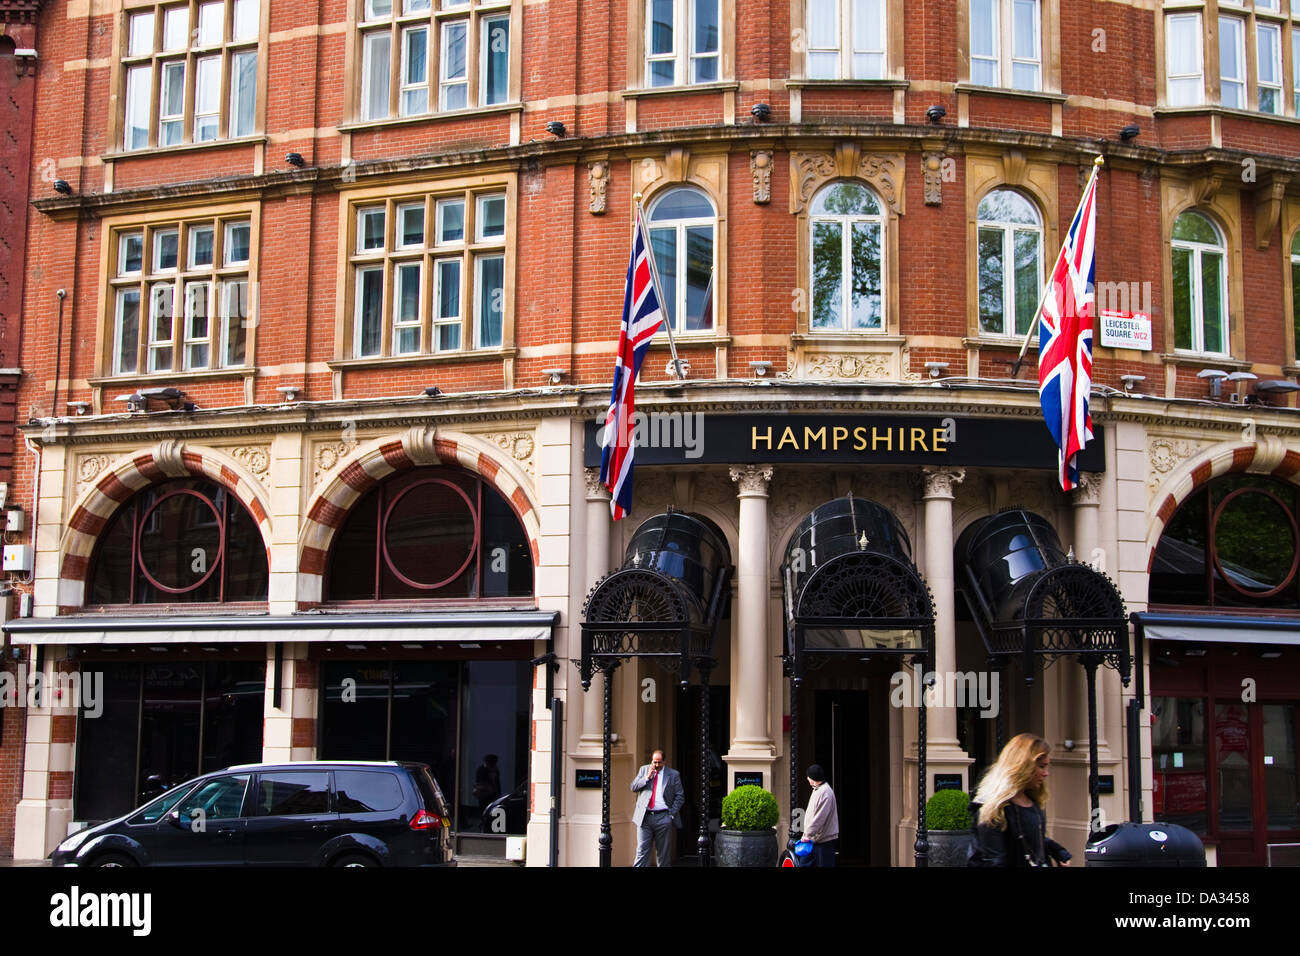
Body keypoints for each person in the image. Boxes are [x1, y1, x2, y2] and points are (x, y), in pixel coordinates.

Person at [967, 733, 1072, 867]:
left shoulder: (1031, 801)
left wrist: (1057, 850)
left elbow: (1029, 840)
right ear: (1023, 766)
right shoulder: (993, 809)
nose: (1046, 773)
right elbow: (995, 861)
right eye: (1041, 766)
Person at [631, 749, 684, 867]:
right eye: (654, 762)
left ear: (664, 762)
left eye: (659, 762)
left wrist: (670, 814)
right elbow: (633, 787)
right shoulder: (644, 770)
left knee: (663, 854)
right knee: (641, 851)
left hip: (663, 817)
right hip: (644, 817)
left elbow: (680, 796)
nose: (656, 765)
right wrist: (646, 778)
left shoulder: (673, 774)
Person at [798, 764, 839, 867]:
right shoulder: (818, 789)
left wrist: (807, 835)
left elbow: (819, 818)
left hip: (823, 841)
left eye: (808, 777)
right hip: (815, 840)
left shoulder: (824, 792)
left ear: (812, 778)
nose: (807, 779)